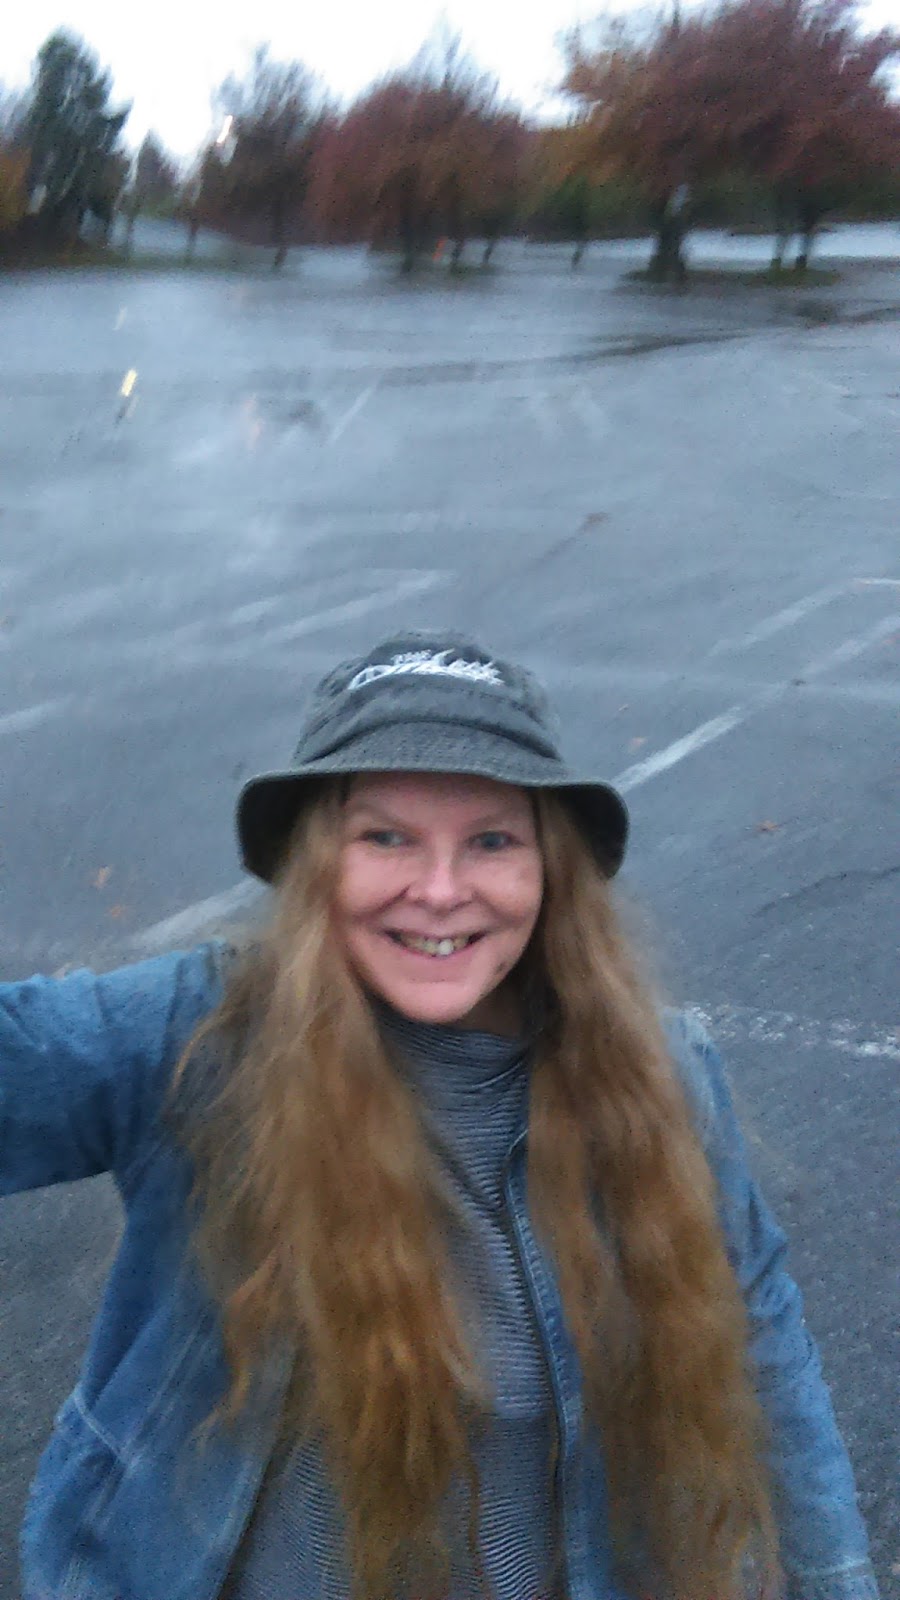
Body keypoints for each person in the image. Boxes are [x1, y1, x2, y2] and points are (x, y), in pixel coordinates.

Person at [1, 630, 878, 1600]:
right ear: (316, 861)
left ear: (550, 869)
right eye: (385, 837)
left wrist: (836, 1577)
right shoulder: (201, 1036)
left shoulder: (657, 1071)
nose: (441, 890)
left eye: (492, 841)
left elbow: (760, 1328)